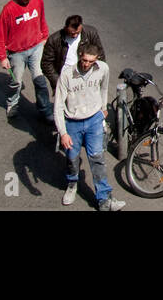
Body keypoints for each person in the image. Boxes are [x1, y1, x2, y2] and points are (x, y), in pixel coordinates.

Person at [56, 43, 125, 210]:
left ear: (96, 60)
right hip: (73, 122)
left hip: (94, 120)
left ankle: (104, 199)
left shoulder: (103, 68)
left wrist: (103, 107)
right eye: (84, 60)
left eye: (90, 61)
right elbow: (58, 105)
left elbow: (103, 87)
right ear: (80, 55)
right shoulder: (67, 75)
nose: (86, 64)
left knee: (97, 158)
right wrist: (63, 133)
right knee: (72, 158)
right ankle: (72, 183)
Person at [0, 0, 52, 123]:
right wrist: (2, 57)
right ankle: (12, 105)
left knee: (40, 80)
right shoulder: (8, 10)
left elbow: (41, 19)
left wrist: (44, 36)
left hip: (36, 47)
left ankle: (45, 109)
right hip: (16, 53)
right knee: (16, 82)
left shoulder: (38, 0)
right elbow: (0, 35)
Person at [41, 15, 107, 95]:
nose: (75, 35)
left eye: (77, 33)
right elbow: (46, 64)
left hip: (87, 77)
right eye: (72, 33)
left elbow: (100, 54)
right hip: (66, 80)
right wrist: (58, 81)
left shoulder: (90, 33)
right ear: (65, 28)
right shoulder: (54, 40)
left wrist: (97, 75)